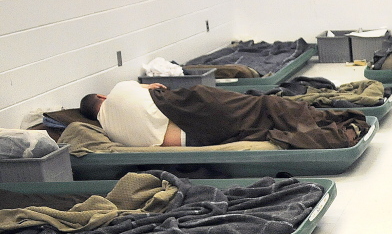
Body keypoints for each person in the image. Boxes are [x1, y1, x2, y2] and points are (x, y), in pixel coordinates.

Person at [79, 80, 367, 150]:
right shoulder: (118, 89)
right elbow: (157, 87)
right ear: (101, 97)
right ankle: (337, 120)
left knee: (264, 124)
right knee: (267, 105)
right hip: (198, 106)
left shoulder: (109, 131)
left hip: (192, 139)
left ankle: (332, 131)